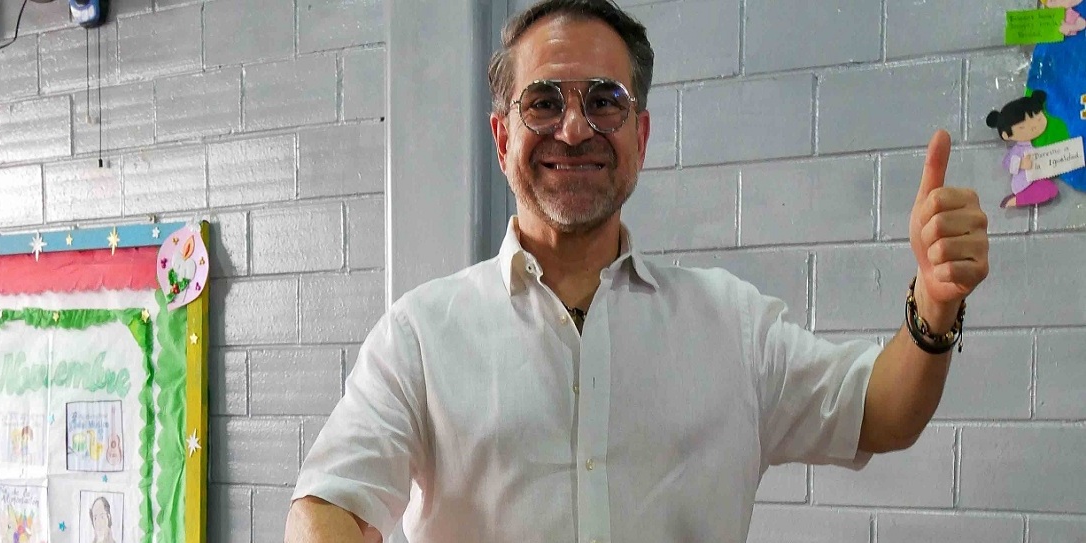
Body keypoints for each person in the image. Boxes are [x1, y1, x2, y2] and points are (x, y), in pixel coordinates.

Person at [285, 1, 989, 541]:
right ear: (502, 138)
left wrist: (934, 305)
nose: (573, 129)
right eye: (544, 102)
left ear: (640, 136)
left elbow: (880, 414)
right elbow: (327, 502)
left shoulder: (731, 324)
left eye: (604, 102)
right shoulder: (419, 335)